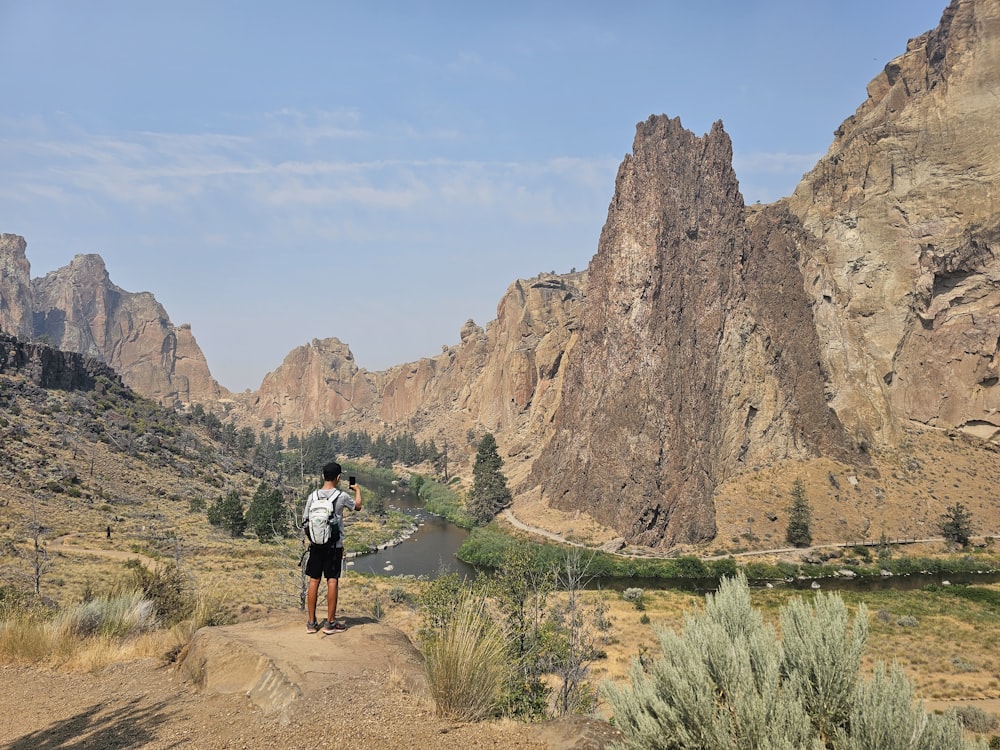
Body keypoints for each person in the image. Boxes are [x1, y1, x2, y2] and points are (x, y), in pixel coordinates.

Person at [301, 461, 361, 634]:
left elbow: (305, 519)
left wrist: (314, 538)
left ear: (322, 476)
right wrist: (357, 490)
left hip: (315, 545)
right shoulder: (341, 496)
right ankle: (331, 623)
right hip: (334, 546)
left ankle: (311, 623)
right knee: (332, 580)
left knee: (314, 580)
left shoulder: (312, 496)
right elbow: (357, 506)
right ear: (338, 477)